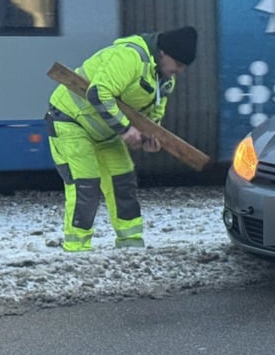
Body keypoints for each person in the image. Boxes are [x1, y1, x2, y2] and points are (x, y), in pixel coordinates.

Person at [44, 26, 198, 252]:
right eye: (178, 65)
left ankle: (131, 244)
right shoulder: (130, 57)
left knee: (122, 181)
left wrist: (150, 140)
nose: (179, 72)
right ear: (164, 53)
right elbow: (98, 93)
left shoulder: (164, 82)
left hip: (106, 131)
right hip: (70, 121)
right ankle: (76, 248)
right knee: (85, 184)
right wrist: (126, 130)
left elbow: (152, 121)